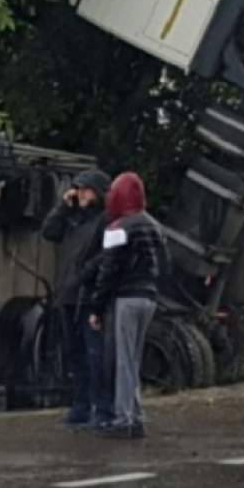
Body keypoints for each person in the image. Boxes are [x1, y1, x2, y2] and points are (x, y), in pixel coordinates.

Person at [88, 171, 170, 439]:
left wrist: (96, 308)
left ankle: (124, 419)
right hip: (149, 298)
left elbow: (108, 271)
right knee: (133, 358)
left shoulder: (117, 228)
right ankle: (135, 415)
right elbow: (166, 265)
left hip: (126, 298)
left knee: (124, 359)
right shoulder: (156, 227)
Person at [41, 169, 113, 429]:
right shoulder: (72, 220)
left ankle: (100, 406)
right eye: (78, 189)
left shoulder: (105, 220)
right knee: (75, 355)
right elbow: (49, 231)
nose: (80, 193)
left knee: (95, 354)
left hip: (88, 295)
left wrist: (85, 278)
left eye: (86, 189)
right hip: (68, 295)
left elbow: (106, 256)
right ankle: (81, 405)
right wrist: (63, 206)